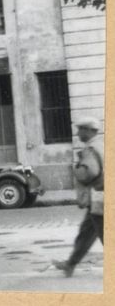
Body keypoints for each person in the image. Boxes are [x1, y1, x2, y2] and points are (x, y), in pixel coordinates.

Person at [54, 117, 104, 277]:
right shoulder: (101, 144)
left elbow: (89, 172)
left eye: (80, 129)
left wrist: (76, 170)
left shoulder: (90, 149)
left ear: (89, 131)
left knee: (104, 233)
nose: (77, 133)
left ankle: (70, 264)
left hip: (99, 197)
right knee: (87, 232)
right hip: (100, 197)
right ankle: (70, 264)